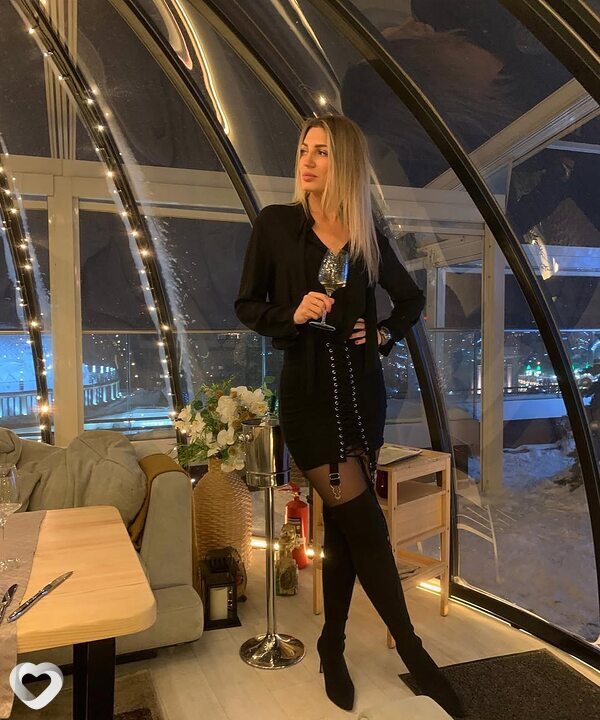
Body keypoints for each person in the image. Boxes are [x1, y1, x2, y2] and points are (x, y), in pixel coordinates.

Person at [234, 114, 466, 716]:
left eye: (322, 152)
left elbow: (409, 299)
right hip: (310, 397)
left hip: (363, 398)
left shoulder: (365, 234)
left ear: (346, 164)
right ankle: (415, 654)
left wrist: (381, 333)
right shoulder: (277, 224)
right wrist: (293, 313)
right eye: (303, 150)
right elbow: (247, 304)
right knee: (366, 527)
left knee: (342, 528)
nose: (308, 162)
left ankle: (331, 646)